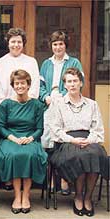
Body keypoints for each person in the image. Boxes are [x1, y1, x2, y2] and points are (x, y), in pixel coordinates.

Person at [49, 67, 108, 217]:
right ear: (65, 85)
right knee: (80, 156)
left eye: (75, 81)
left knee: (97, 155)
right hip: (66, 142)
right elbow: (56, 130)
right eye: (69, 81)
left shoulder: (92, 104)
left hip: (89, 140)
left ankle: (88, 197)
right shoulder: (58, 104)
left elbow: (98, 129)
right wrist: (72, 140)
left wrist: (89, 140)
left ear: (81, 83)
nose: (73, 84)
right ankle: (78, 196)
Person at [0, 69, 47, 214]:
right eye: (17, 83)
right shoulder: (5, 104)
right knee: (14, 155)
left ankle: (26, 195)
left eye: (23, 83)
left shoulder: (37, 105)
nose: (20, 86)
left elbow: (39, 128)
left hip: (30, 138)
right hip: (10, 138)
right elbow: (1, 126)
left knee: (30, 155)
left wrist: (30, 138)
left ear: (28, 85)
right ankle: (17, 196)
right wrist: (13, 138)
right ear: (13, 85)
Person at [39, 31, 84, 195]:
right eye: (55, 44)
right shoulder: (46, 64)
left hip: (68, 107)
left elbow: (80, 83)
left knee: (64, 140)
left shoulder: (74, 62)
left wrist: (66, 98)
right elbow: (40, 86)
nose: (58, 47)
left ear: (66, 45)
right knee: (49, 142)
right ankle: (51, 178)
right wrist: (46, 97)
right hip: (50, 107)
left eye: (61, 44)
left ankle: (65, 178)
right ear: (51, 46)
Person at [0, 28, 40, 105]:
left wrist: (28, 103)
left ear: (23, 44)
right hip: (5, 106)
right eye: (13, 42)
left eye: (19, 42)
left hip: (27, 106)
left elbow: (35, 85)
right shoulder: (0, 63)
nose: (16, 45)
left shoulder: (31, 62)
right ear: (8, 44)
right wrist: (3, 103)